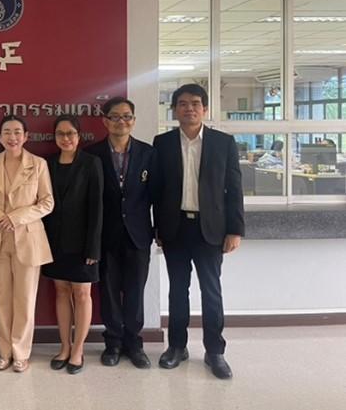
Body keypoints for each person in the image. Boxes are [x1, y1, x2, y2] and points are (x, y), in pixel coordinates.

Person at [153, 83, 244, 380]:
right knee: (178, 291)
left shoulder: (223, 142)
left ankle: (215, 351)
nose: (189, 108)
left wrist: (235, 230)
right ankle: (176, 347)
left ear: (204, 108)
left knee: (211, 291)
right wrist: (157, 227)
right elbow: (157, 190)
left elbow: (234, 190)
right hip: (176, 227)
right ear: (174, 109)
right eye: (182, 103)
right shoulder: (162, 143)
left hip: (211, 229)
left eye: (194, 103)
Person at [0, 115, 54, 373]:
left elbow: (47, 202)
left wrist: (16, 217)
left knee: (25, 299)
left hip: (28, 239)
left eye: (17, 132)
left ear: (26, 136)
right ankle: (4, 352)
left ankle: (21, 353)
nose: (12, 137)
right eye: (7, 132)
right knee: (0, 299)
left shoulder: (38, 164)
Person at [86, 97, 156, 369]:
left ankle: (134, 343)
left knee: (136, 290)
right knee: (109, 290)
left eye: (127, 116)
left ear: (134, 121)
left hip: (139, 234)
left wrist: (159, 231)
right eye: (115, 116)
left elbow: (159, 195)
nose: (121, 121)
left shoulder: (148, 153)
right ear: (105, 121)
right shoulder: (92, 154)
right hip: (106, 235)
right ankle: (113, 342)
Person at [42, 115, 103, 375]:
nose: (65, 138)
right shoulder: (48, 164)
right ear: (54, 137)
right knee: (61, 292)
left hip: (83, 243)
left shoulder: (91, 163)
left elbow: (97, 207)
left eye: (70, 133)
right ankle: (64, 347)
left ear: (79, 136)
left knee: (82, 294)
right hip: (54, 241)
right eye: (60, 134)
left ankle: (78, 350)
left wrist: (93, 247)